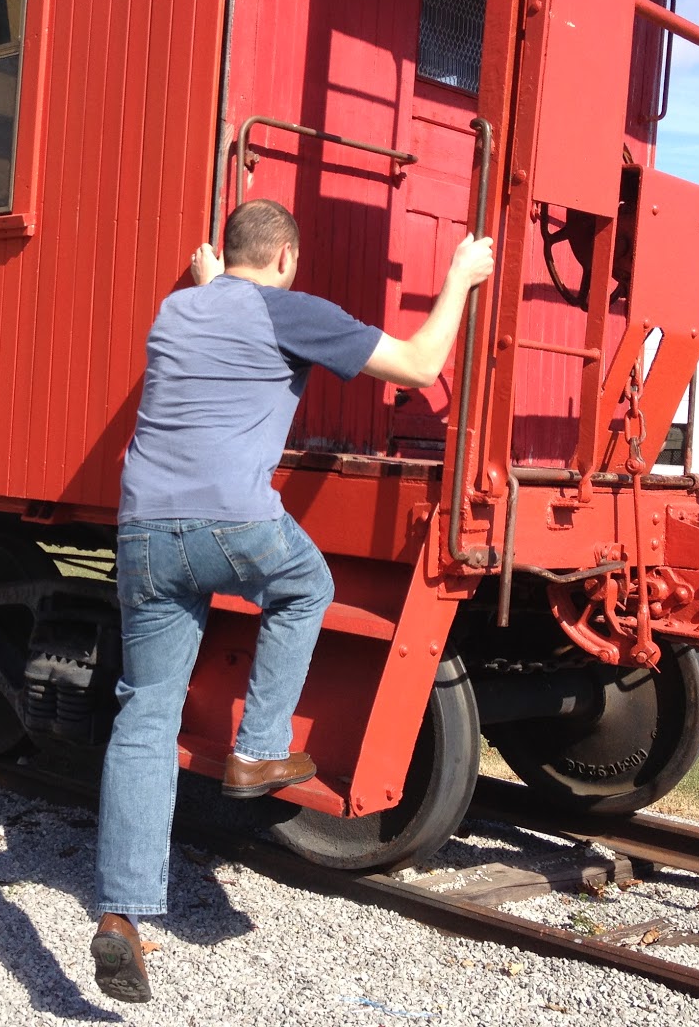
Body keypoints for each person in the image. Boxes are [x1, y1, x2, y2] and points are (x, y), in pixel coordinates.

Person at [89, 198, 495, 1003]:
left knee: (144, 717)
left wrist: (211, 279)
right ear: (284, 259)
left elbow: (219, 299)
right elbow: (418, 364)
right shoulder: (288, 310)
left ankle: (119, 918)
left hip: (140, 531)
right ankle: (258, 747)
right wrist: (461, 278)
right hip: (231, 524)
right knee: (307, 583)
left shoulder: (178, 311)